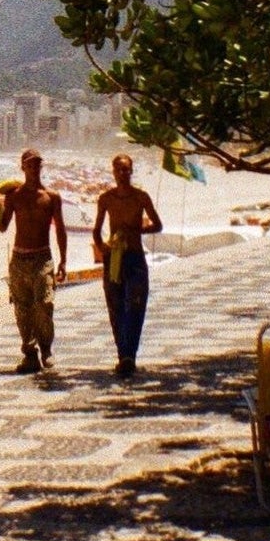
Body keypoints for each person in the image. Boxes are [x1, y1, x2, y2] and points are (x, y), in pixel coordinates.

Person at [0, 148, 68, 373]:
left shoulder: (51, 197)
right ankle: (29, 354)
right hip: (19, 258)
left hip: (42, 257)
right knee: (22, 308)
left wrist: (64, 261)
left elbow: (60, 230)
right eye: (30, 164)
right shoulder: (14, 197)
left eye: (37, 164)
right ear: (23, 167)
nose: (34, 168)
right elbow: (2, 226)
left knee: (44, 304)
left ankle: (46, 349)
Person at [93, 154, 163, 378]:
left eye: (126, 170)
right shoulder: (106, 199)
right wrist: (102, 245)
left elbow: (157, 225)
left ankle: (130, 355)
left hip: (135, 258)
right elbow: (96, 229)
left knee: (135, 306)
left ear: (132, 171)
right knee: (115, 307)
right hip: (114, 259)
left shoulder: (141, 197)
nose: (123, 174)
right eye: (119, 170)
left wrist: (137, 231)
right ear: (113, 172)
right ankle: (122, 354)